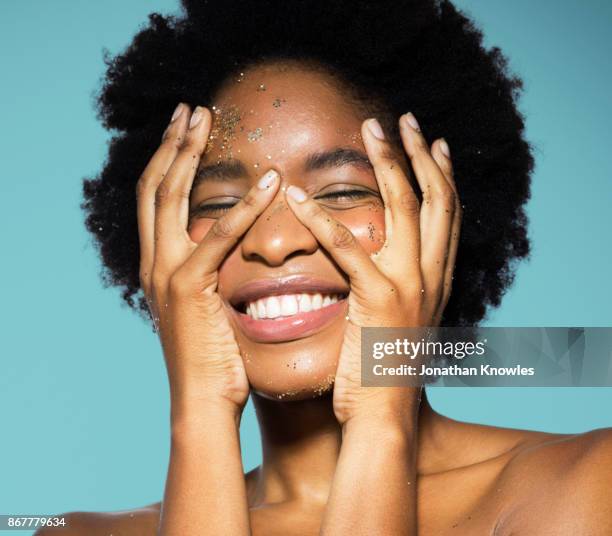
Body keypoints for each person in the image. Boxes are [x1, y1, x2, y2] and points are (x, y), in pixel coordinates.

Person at [38, 0, 612, 534]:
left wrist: (382, 413)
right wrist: (201, 414)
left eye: (338, 193)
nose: (274, 240)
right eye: (218, 205)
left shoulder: (580, 486)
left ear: (440, 214)